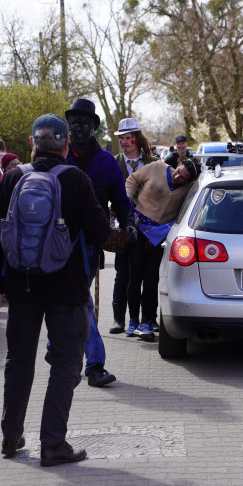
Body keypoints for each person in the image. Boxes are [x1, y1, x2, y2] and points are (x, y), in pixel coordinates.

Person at [0, 113, 111, 466]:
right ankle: (52, 444)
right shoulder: (76, 179)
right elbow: (100, 233)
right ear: (66, 144)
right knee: (66, 364)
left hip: (21, 285)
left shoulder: (11, 179)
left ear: (32, 143)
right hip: (67, 289)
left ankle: (11, 437)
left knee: (19, 360)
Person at [65, 98, 137, 387]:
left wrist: (129, 223)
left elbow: (120, 200)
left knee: (80, 300)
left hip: (88, 246)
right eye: (75, 122)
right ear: (68, 126)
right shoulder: (59, 156)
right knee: (71, 301)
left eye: (85, 123)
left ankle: (92, 364)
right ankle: (62, 351)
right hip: (55, 242)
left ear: (94, 128)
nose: (80, 128)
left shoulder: (106, 162)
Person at [125, 158, 200, 341]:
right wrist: (126, 204)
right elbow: (132, 179)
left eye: (183, 178)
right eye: (178, 171)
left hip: (160, 236)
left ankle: (147, 321)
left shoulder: (188, 188)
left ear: (189, 181)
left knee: (151, 279)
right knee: (135, 276)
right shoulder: (157, 167)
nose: (177, 177)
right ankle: (133, 319)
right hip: (138, 228)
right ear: (178, 165)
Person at [112, 117, 158, 334]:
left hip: (150, 228)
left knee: (150, 276)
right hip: (123, 227)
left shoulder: (153, 162)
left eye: (128, 138)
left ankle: (150, 318)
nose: (124, 142)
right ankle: (119, 319)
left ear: (137, 138)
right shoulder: (113, 163)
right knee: (123, 273)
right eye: (121, 138)